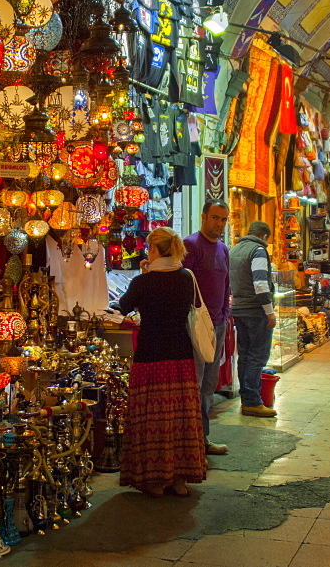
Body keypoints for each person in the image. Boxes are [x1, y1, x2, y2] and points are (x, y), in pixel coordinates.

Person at [117, 227, 208, 495]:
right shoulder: (186, 278)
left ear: (154, 250)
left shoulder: (142, 283)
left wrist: (144, 274)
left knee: (152, 420)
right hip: (180, 356)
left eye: (149, 247)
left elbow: (123, 307)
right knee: (180, 418)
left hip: (150, 357)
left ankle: (155, 480)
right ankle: (179, 480)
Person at [183, 199, 231, 456]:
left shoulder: (223, 249)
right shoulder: (191, 245)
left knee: (209, 383)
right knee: (197, 382)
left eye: (223, 219)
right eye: (215, 218)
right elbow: (184, 284)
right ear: (203, 217)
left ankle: (203, 437)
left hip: (218, 323)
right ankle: (195, 439)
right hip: (197, 324)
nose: (219, 224)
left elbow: (226, 285)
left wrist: (224, 315)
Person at [230, 221, 277, 418]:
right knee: (258, 356)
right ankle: (252, 401)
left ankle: (246, 399)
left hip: (238, 309)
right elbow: (260, 283)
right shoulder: (258, 251)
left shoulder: (233, 251)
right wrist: (269, 311)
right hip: (256, 311)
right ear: (265, 236)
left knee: (246, 355)